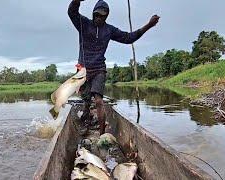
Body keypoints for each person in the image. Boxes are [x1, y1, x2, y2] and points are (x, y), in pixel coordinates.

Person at [68, 0, 160, 135]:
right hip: (83, 70)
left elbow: (128, 38)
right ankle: (86, 118)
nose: (99, 18)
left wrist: (149, 25)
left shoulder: (109, 30)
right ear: (93, 14)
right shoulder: (84, 23)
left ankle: (101, 134)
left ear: (107, 16)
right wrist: (77, 1)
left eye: (102, 16)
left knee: (99, 101)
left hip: (99, 68)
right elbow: (72, 12)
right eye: (97, 15)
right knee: (86, 100)